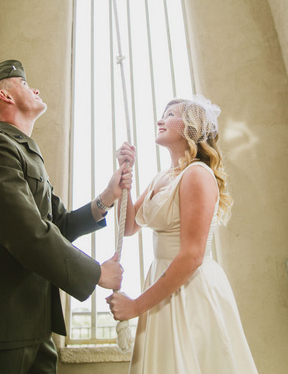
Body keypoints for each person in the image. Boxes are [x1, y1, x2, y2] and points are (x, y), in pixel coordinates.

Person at [0, 59, 132, 373]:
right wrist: (97, 274)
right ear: (6, 97)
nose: (35, 88)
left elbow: (59, 225)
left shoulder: (26, 153)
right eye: (24, 84)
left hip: (33, 324)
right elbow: (26, 232)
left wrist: (107, 196)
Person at [106, 95, 258, 374]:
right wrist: (123, 180)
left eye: (171, 114)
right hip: (161, 279)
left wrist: (136, 306)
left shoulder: (198, 174)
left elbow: (192, 256)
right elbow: (128, 228)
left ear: (192, 128)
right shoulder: (161, 178)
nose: (160, 120)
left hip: (191, 286)